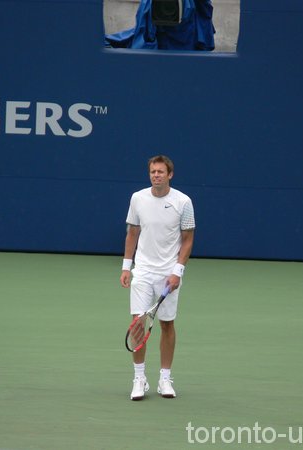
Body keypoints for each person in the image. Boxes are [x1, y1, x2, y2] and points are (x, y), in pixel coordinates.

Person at [120, 155, 195, 400]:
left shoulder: (183, 202)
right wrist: (126, 267)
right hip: (142, 271)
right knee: (138, 322)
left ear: (170, 174)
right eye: (153, 171)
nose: (156, 175)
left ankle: (165, 378)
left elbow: (188, 239)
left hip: (168, 274)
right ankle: (139, 378)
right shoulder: (137, 198)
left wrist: (177, 272)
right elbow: (132, 232)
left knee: (167, 324)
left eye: (161, 172)